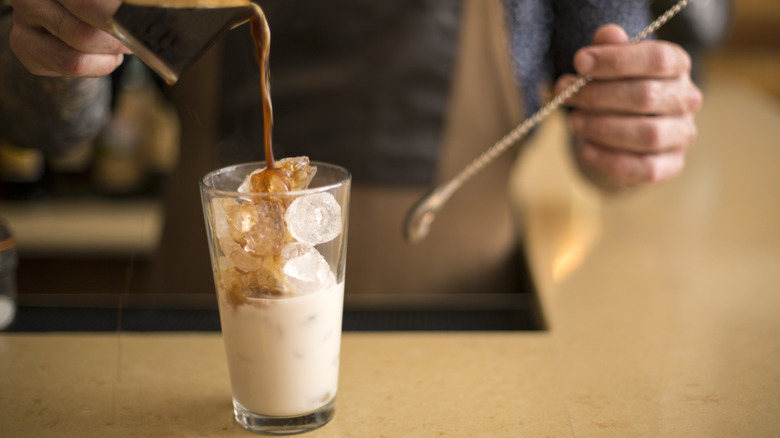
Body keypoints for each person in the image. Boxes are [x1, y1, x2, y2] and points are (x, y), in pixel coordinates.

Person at [0, 0, 708, 299]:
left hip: (461, 328)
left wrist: (627, 127)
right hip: (203, 330)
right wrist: (58, 48)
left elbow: (605, 72)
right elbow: (48, 126)